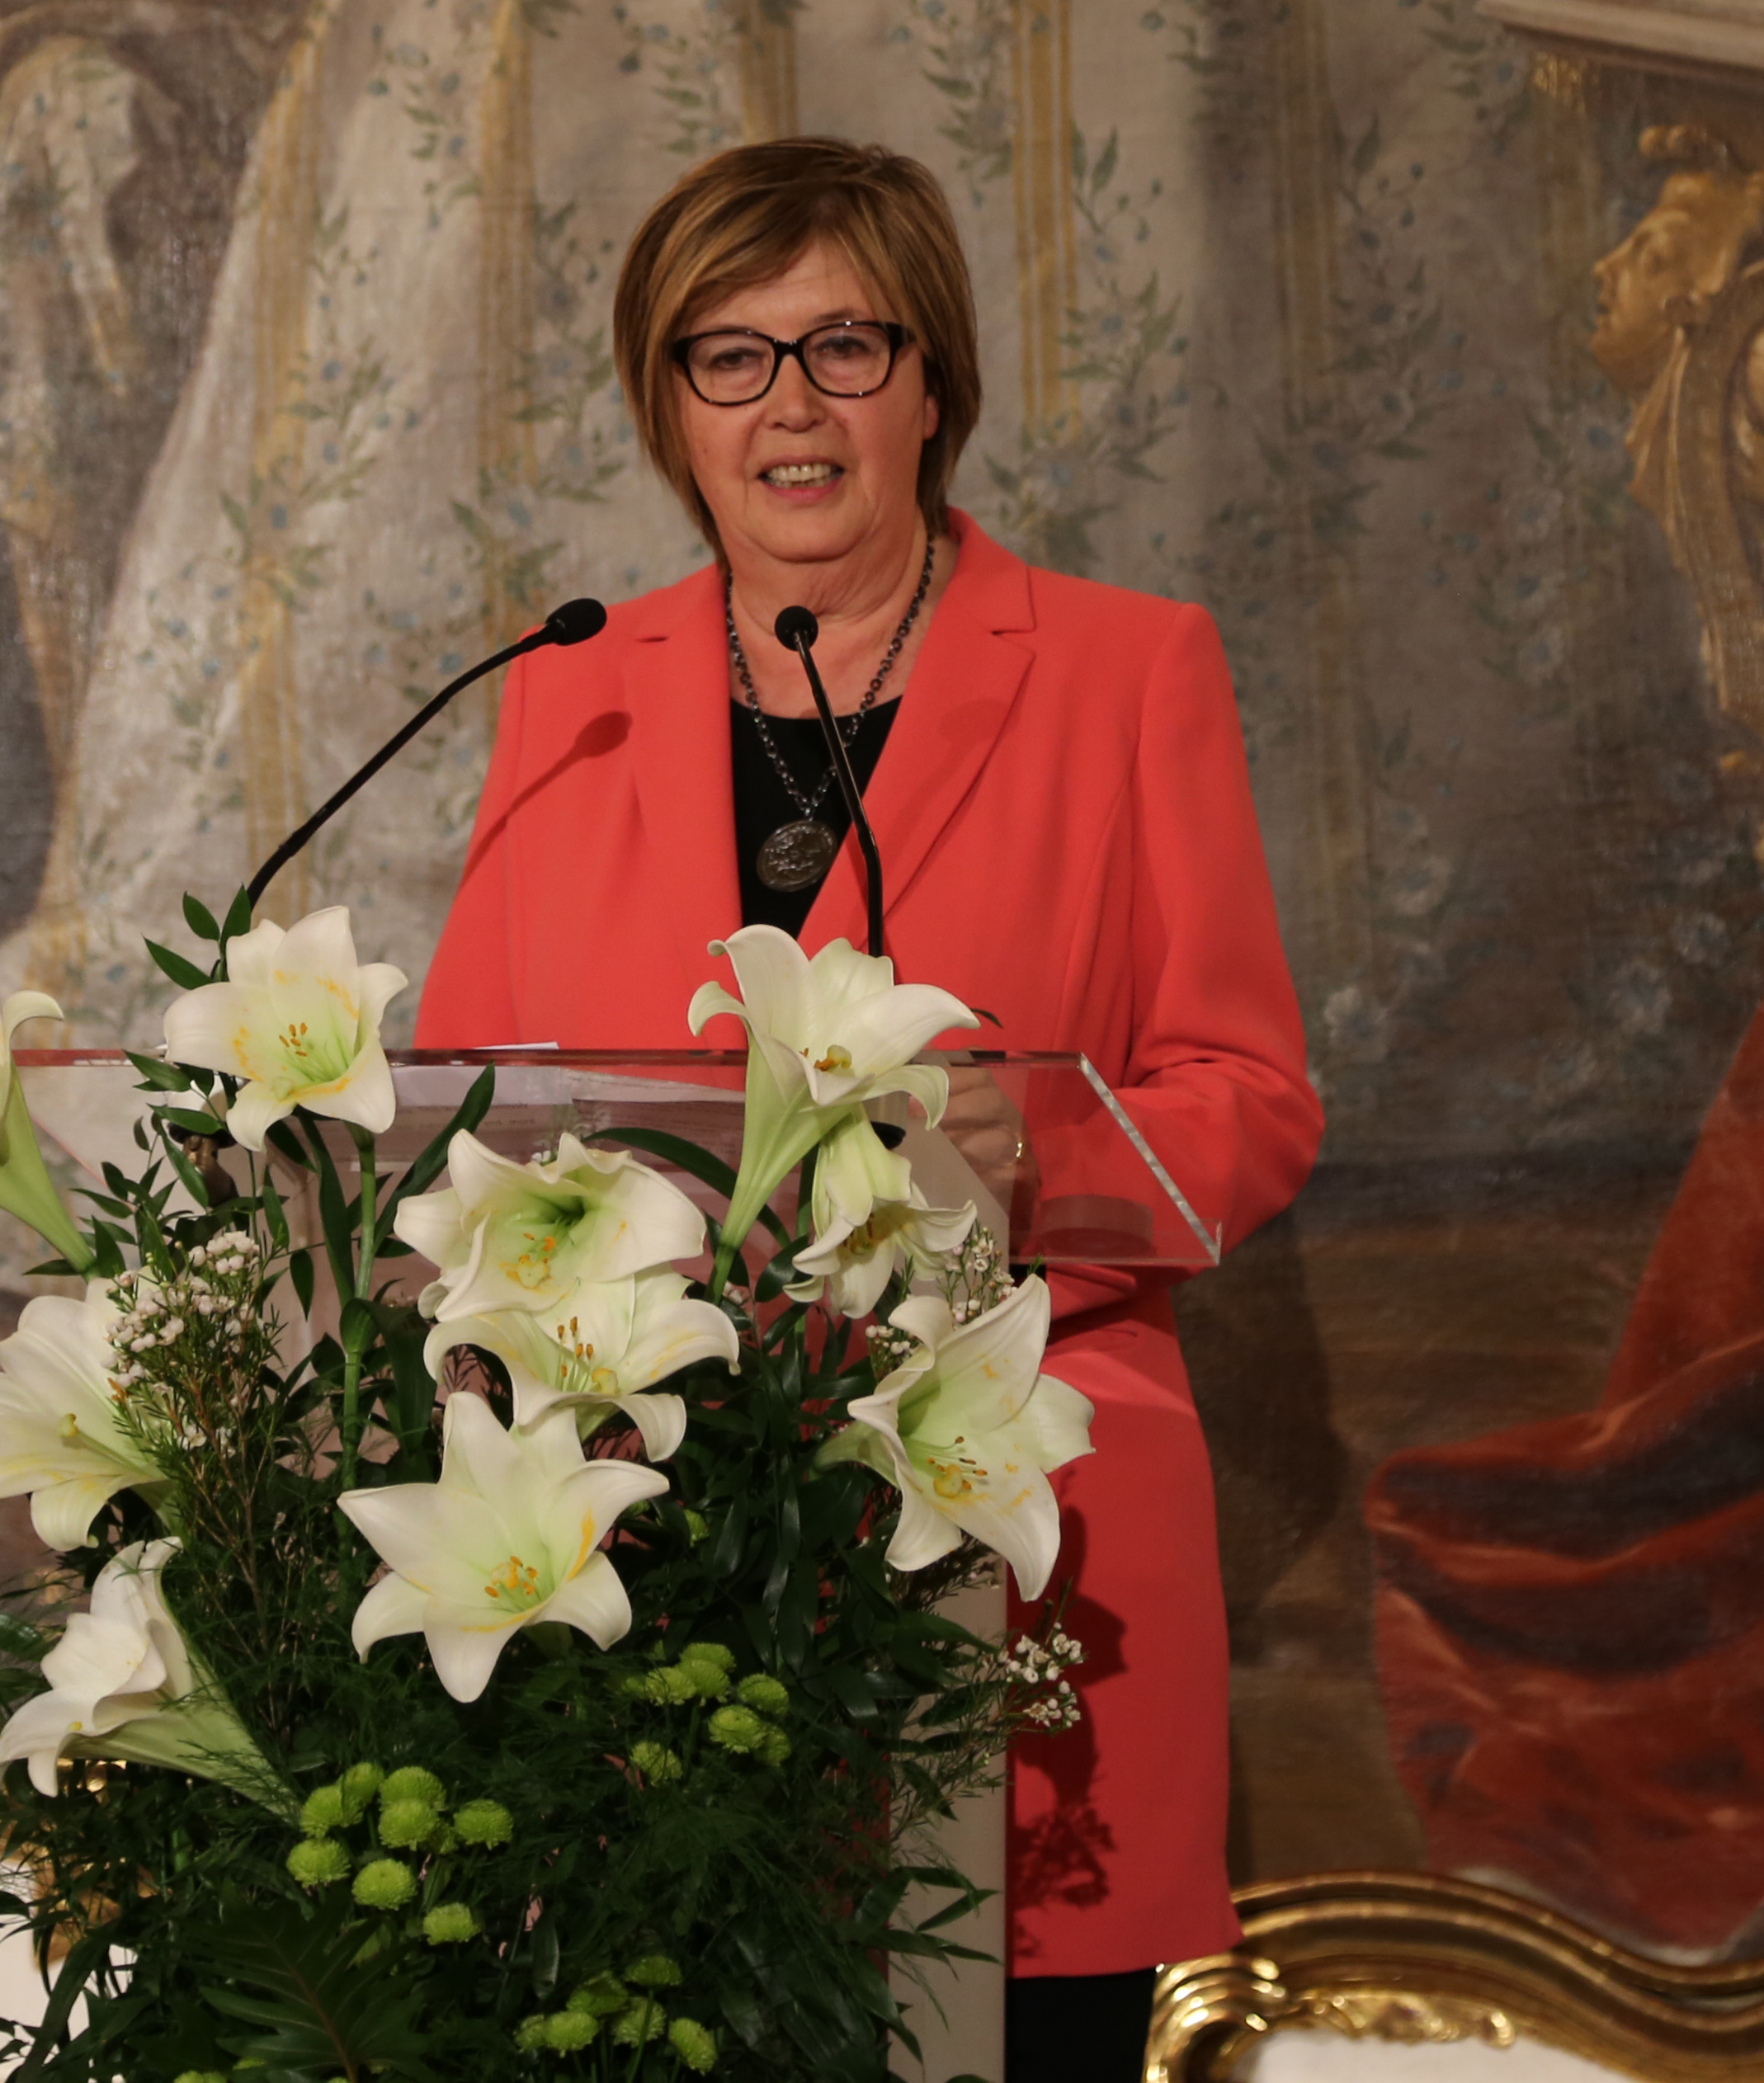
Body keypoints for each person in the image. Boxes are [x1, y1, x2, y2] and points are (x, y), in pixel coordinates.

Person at [415, 137, 1322, 2081]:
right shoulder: (569, 689)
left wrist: (1044, 1162)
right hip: (643, 1558)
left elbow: (1249, 1101)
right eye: (726, 356)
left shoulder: (1125, 671)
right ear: (669, 403)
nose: (790, 406)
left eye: (843, 345)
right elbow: (463, 1123)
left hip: (1007, 1534)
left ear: (930, 383)